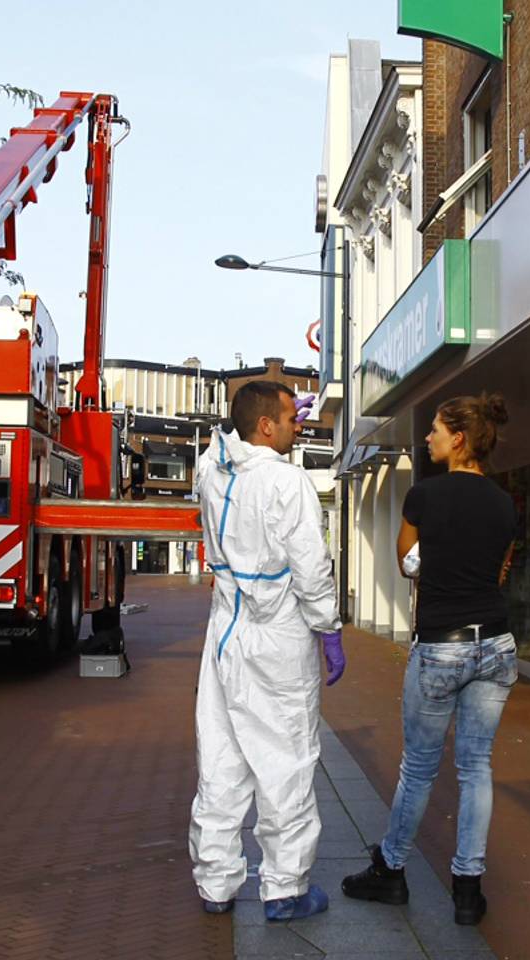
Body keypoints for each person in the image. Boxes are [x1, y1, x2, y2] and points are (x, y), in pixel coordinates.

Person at [342, 392, 516, 926]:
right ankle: (468, 889)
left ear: (459, 437)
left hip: (442, 644)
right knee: (476, 767)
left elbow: (408, 563)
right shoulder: (506, 502)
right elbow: (501, 572)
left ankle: (391, 870)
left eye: (436, 429)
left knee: (418, 769)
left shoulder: (423, 496)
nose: (427, 437)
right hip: (498, 646)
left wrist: (436, 562)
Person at [189, 381, 345, 921]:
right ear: (265, 427)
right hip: (278, 637)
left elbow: (216, 449)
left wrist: (256, 417)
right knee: (286, 762)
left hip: (225, 634)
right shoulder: (288, 482)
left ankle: (216, 883)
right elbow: (310, 566)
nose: (298, 425)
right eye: (290, 417)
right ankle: (285, 889)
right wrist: (328, 628)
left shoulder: (214, 475)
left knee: (222, 762)